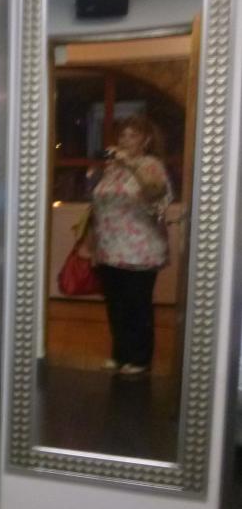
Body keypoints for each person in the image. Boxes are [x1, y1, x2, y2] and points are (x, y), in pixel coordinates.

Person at [86, 114, 173, 376]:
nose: (125, 140)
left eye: (133, 135)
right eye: (122, 135)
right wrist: (92, 243)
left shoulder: (151, 165)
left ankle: (140, 359)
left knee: (137, 305)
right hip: (109, 248)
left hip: (140, 250)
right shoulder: (112, 169)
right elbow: (98, 206)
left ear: (145, 140)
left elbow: (156, 193)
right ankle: (120, 354)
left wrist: (131, 165)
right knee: (116, 305)